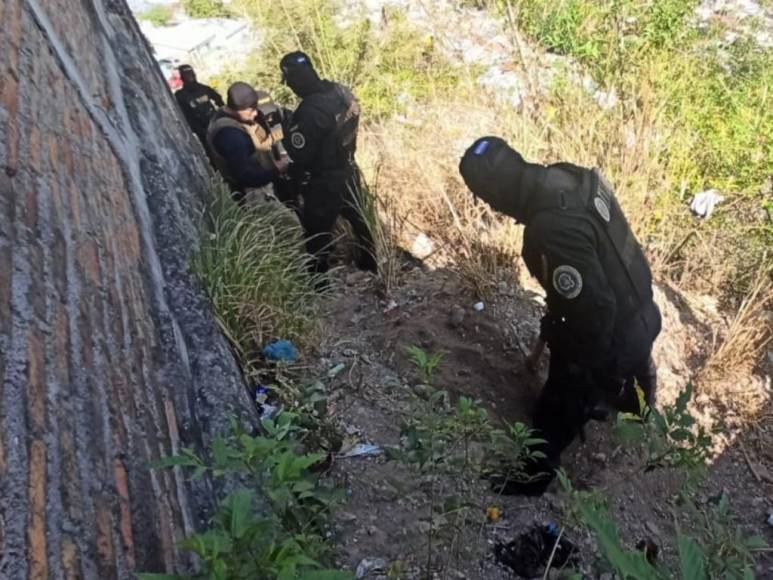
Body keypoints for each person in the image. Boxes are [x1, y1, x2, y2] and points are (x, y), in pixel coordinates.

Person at [459, 136, 661, 495]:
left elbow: (594, 317)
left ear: (494, 194)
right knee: (630, 362)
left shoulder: (550, 230)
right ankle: (637, 406)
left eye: (486, 199)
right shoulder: (568, 176)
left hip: (616, 332)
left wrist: (574, 375)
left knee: (559, 400)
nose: (491, 207)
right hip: (643, 305)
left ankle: (531, 477)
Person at [279, 51, 377, 275]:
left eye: (290, 83)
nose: (290, 88)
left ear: (294, 81)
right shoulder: (339, 90)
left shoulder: (309, 111)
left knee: (317, 229)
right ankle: (371, 264)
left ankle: (319, 282)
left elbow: (300, 154)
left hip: (325, 179)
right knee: (358, 217)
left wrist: (286, 134)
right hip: (349, 167)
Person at [207, 82, 294, 214]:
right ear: (236, 108)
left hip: (266, 179)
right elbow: (246, 176)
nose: (255, 114)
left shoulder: (235, 115)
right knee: (293, 228)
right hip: (254, 194)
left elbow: (261, 142)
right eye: (251, 111)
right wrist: (278, 168)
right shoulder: (230, 135)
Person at [174, 64, 224, 146]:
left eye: (191, 73)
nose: (190, 76)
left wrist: (222, 117)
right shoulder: (180, 95)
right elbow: (183, 115)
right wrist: (195, 128)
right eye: (186, 74)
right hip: (202, 131)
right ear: (182, 77)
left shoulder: (204, 88)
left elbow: (219, 101)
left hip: (216, 125)